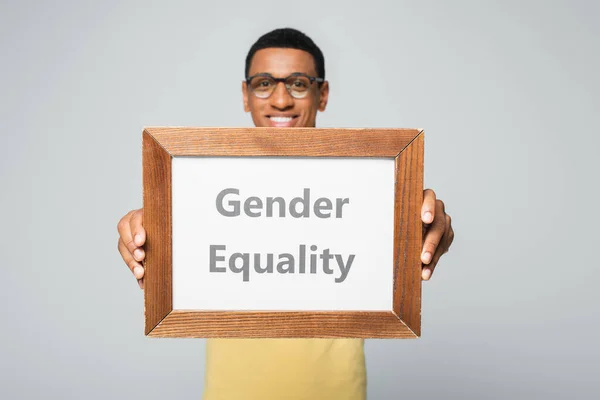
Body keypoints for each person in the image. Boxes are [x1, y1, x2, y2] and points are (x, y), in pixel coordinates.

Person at [117, 27, 454, 400]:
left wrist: (424, 220)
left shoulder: (362, 184)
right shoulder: (205, 187)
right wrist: (148, 235)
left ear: (322, 94)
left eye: (297, 83)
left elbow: (416, 220)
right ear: (245, 95)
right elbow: (158, 241)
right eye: (263, 83)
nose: (280, 100)